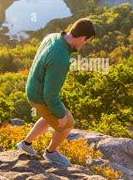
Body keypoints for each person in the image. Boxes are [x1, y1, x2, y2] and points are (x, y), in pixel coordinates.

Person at [17, 18, 96, 166]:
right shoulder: (60, 58)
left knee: (48, 116)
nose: (84, 44)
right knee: (67, 123)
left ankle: (26, 144)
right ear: (81, 38)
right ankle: (51, 153)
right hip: (40, 96)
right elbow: (50, 96)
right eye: (86, 41)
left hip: (32, 88)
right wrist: (60, 115)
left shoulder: (53, 37)